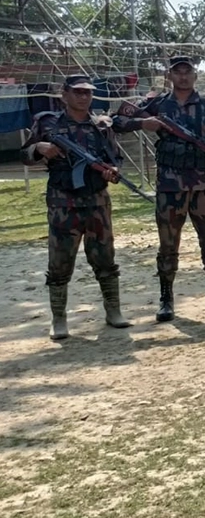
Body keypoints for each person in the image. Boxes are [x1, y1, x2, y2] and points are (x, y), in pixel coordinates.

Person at [115, 55, 205, 322]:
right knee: (168, 245)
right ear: (169, 76)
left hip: (204, 185)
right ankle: (166, 300)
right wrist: (143, 123)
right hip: (170, 185)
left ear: (194, 76)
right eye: (177, 72)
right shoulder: (155, 104)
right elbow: (117, 121)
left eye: (187, 72)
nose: (183, 77)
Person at [21, 75, 135, 340]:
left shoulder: (102, 124)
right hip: (63, 202)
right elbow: (24, 155)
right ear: (65, 95)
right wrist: (40, 147)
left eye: (88, 93)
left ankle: (113, 311)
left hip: (97, 201)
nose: (84, 97)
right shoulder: (48, 122)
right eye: (78, 92)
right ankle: (59, 319)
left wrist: (113, 170)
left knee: (105, 259)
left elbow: (114, 157)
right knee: (60, 263)